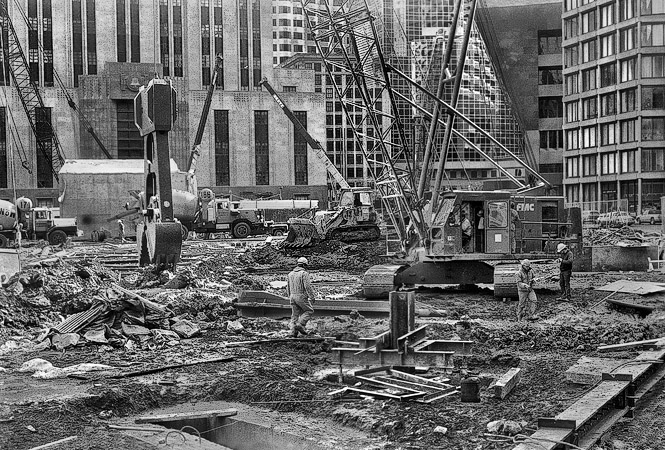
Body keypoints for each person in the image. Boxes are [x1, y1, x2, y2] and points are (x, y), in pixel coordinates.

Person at [286, 257, 317, 337]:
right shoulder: (304, 274)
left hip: (292, 296)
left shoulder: (290, 274)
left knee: (294, 315)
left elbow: (288, 287)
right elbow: (307, 286)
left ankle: (293, 332)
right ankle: (300, 324)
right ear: (304, 265)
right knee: (309, 310)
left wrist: (290, 296)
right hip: (301, 296)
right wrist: (312, 296)